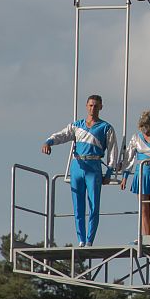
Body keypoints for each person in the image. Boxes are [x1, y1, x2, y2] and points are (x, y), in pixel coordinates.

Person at [41, 94, 119, 247]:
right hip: (77, 164)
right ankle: (81, 240)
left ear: (101, 107)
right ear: (86, 106)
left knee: (94, 205)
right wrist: (48, 141)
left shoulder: (106, 128)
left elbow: (113, 151)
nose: (93, 108)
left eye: (96, 106)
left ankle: (90, 240)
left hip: (94, 165)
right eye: (90, 105)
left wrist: (109, 172)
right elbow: (62, 135)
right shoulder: (77, 125)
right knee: (78, 205)